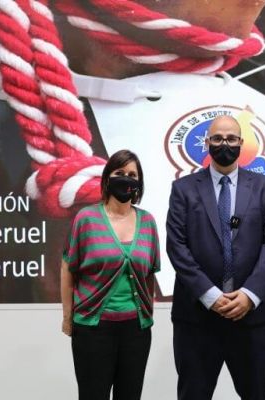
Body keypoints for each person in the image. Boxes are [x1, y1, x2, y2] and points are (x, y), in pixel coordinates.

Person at [166, 115, 265, 400]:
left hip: (253, 317)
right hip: (197, 318)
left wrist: (249, 294)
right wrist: (210, 295)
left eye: (231, 138)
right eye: (217, 138)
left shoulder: (264, 187)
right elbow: (177, 246)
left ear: (241, 143)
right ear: (207, 143)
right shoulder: (183, 188)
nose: (224, 144)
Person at [60, 149, 161, 400]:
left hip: (136, 331)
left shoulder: (148, 222)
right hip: (93, 330)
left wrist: (147, 313)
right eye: (120, 172)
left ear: (139, 183)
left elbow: (149, 274)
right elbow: (67, 269)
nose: (126, 179)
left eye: (132, 175)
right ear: (107, 178)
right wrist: (67, 317)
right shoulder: (86, 218)